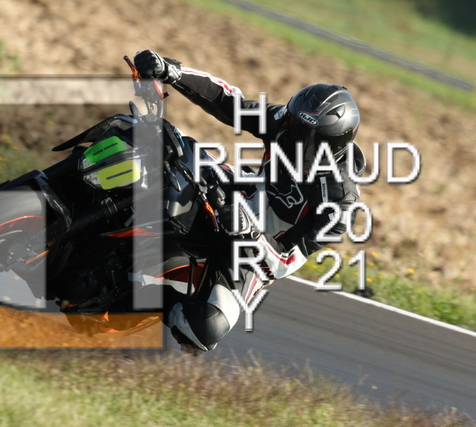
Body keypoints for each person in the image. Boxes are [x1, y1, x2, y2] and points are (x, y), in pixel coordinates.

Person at [133, 50, 366, 355]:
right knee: (171, 147)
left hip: (253, 254)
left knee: (205, 330)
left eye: (306, 137)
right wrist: (173, 72)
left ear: (333, 147)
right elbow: (231, 103)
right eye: (294, 126)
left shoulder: (340, 202)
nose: (292, 138)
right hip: (237, 194)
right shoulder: (286, 124)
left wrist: (250, 233)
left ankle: (133, 292)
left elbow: (286, 259)